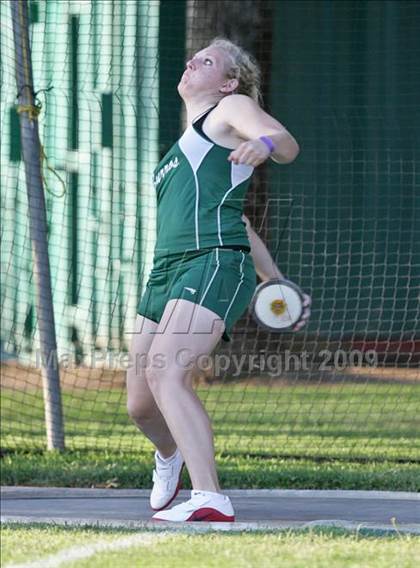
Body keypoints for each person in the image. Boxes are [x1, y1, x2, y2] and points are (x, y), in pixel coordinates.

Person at [126, 37, 310, 522]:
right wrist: (274, 278)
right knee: (141, 404)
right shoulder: (186, 140)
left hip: (211, 262)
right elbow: (241, 221)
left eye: (206, 60)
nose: (192, 61)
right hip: (164, 269)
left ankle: (210, 498)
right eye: (193, 56)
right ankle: (171, 454)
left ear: (228, 81)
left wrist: (263, 143)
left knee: (168, 373)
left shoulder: (232, 107)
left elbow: (286, 144)